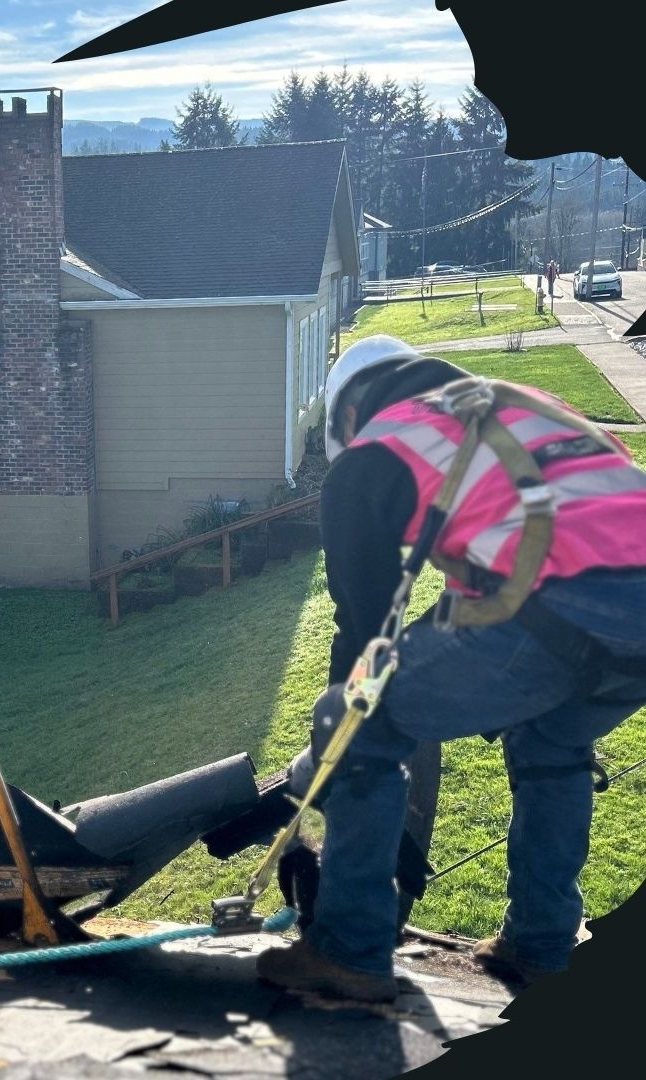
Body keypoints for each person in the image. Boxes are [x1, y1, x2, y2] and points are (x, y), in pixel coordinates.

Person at [255, 334, 646, 1004]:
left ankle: (349, 950)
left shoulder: (377, 449)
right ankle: (542, 946)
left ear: (347, 416)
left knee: (353, 718)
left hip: (556, 604)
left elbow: (364, 635)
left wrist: (337, 740)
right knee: (553, 743)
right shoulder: (522, 407)